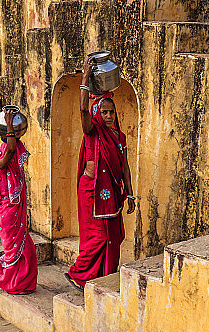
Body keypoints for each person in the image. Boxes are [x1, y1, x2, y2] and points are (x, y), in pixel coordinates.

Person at [65, 54, 136, 290]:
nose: (107, 116)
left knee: (114, 238)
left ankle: (104, 278)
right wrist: (85, 77)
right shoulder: (92, 131)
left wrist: (130, 193)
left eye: (111, 112)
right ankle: (80, 275)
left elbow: (124, 165)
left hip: (113, 193)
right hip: (92, 192)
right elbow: (84, 111)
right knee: (98, 238)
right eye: (104, 112)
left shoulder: (119, 137)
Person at [0, 107, 38, 294]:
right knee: (14, 253)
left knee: (28, 251)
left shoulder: (12, 153)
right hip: (8, 213)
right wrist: (10, 125)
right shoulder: (1, 161)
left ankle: (23, 284)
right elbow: (11, 149)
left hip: (15, 211)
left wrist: (11, 129)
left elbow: (14, 147)